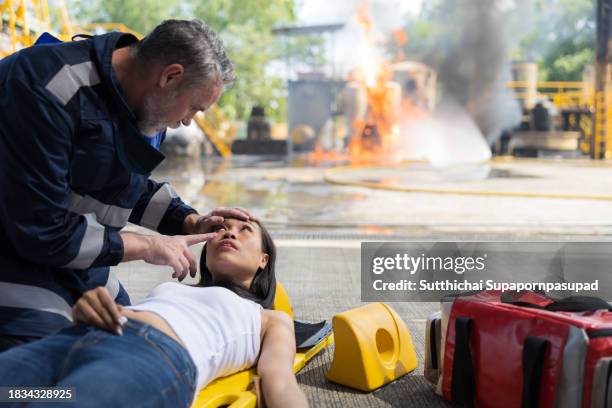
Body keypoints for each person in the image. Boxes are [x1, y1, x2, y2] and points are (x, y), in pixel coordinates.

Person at [0, 19, 253, 351]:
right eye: (194, 107)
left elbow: (121, 186)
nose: (188, 121)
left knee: (128, 344)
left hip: (72, 258)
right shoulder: (47, 86)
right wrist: (147, 246)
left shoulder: (149, 103)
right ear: (170, 76)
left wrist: (187, 220)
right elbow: (41, 229)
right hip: (14, 256)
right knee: (39, 377)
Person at [0, 217, 308, 408]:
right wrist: (88, 309)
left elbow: (278, 381)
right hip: (79, 337)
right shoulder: (176, 290)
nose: (229, 233)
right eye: (222, 229)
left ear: (263, 260)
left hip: (151, 358)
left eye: (244, 230)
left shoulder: (269, 318)